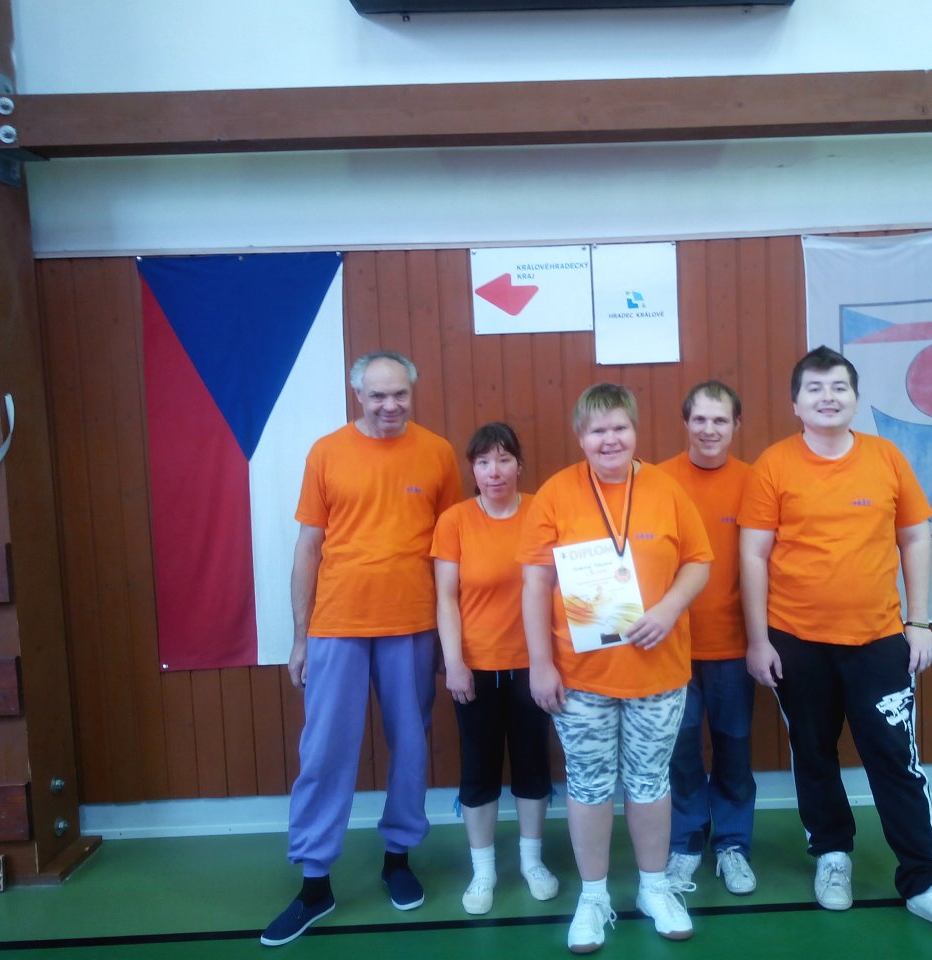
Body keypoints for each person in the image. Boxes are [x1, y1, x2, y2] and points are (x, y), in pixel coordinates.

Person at [737, 346, 932, 945]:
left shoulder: (886, 458)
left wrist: (919, 622)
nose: (827, 397)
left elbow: (915, 539)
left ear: (854, 399)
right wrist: (757, 640)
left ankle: (925, 882)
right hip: (796, 642)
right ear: (795, 402)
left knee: (895, 759)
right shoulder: (773, 466)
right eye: (815, 388)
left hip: (878, 640)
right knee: (813, 752)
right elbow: (752, 555)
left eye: (839, 388)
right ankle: (832, 854)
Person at [261, 351, 463, 947]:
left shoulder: (437, 453)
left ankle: (398, 859)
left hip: (412, 624)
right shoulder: (327, 453)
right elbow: (308, 548)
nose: (390, 405)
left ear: (412, 393)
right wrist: (300, 636)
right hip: (337, 624)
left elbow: (452, 550)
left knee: (411, 745)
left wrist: (451, 638)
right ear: (358, 396)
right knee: (324, 751)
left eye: (400, 394)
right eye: (378, 395)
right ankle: (314, 883)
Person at [517, 383, 712, 954]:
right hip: (580, 678)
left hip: (658, 672)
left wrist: (669, 608)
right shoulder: (556, 495)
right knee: (589, 783)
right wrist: (540, 664)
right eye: (597, 430)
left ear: (635, 431)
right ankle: (594, 897)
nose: (610, 439)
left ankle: (654, 888)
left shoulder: (666, 489)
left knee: (650, 782)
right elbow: (534, 583)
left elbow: (699, 562)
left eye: (620, 427)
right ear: (581, 437)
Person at [431, 422, 559, 915]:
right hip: (476, 668)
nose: (494, 471)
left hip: (534, 665)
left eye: (504, 459)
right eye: (483, 462)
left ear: (519, 465)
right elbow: (446, 597)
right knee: (479, 767)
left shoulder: (542, 512)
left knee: (532, 763)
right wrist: (454, 662)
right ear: (473, 469)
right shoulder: (455, 521)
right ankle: (482, 870)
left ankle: (532, 861)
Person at [657, 381, 757, 896]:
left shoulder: (754, 482)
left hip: (735, 647)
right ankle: (686, 842)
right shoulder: (658, 481)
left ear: (736, 425)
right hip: (670, 647)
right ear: (686, 423)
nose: (709, 430)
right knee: (681, 751)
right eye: (700, 419)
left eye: (720, 420)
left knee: (734, 749)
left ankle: (733, 844)